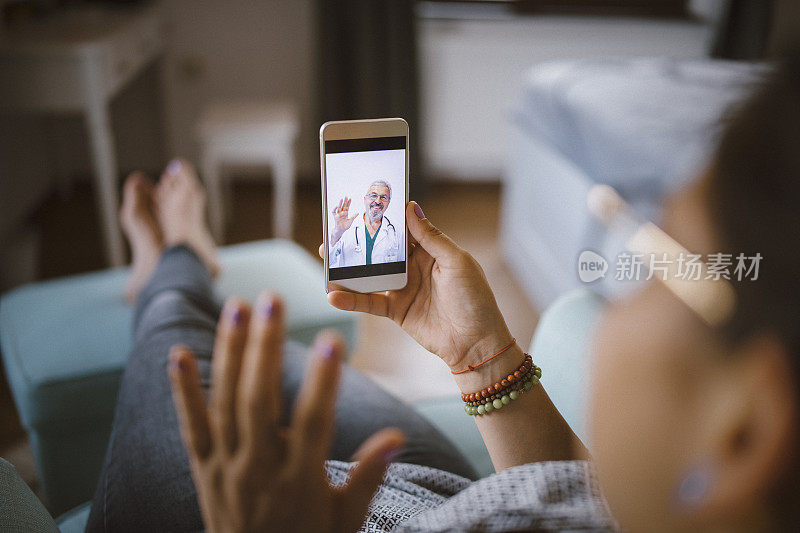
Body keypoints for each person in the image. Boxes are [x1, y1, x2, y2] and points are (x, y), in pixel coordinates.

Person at [88, 50, 800, 533]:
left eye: (653, 253)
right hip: (457, 495)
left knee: (177, 341)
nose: (625, 283)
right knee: (255, 353)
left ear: (746, 432)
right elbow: (576, 500)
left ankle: (172, 258)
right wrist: (483, 354)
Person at [329, 180, 401, 268]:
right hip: (352, 281)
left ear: (388, 202)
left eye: (384, 197)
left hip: (383, 281)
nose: (378, 201)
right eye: (373, 195)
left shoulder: (397, 232)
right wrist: (337, 233)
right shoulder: (346, 229)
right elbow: (328, 260)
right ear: (365, 199)